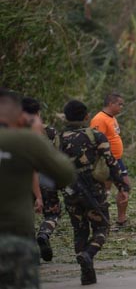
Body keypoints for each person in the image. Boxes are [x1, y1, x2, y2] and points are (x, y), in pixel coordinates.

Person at [0, 88, 76, 288]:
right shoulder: (25, 140)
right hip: (14, 240)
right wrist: (34, 134)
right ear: (19, 115)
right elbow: (65, 174)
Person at [59, 100, 131, 285]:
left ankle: (86, 272)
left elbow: (50, 167)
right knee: (102, 227)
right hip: (94, 190)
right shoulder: (96, 136)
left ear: (65, 117)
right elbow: (111, 161)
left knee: (79, 230)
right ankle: (89, 254)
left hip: (70, 191)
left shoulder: (58, 139)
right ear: (86, 117)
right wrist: (122, 186)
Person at [22, 97, 64, 262]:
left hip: (22, 179)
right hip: (46, 178)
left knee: (26, 215)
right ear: (39, 112)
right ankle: (44, 234)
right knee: (53, 213)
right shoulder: (50, 131)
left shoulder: (14, 132)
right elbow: (56, 157)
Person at [90, 93, 131, 228]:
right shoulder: (99, 119)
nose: (121, 107)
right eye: (119, 104)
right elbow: (95, 141)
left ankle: (121, 219)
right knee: (104, 190)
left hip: (117, 160)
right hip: (106, 161)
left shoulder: (112, 118)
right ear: (110, 104)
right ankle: (99, 219)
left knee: (125, 186)